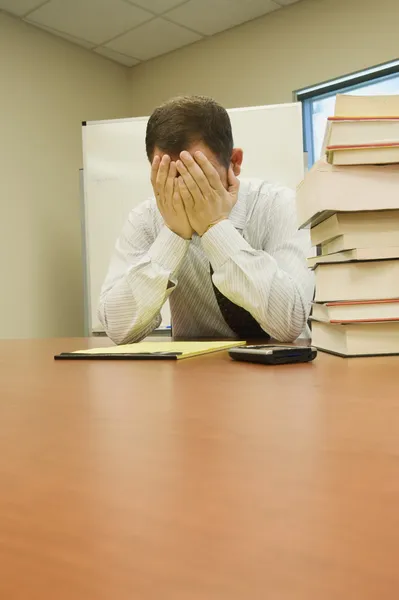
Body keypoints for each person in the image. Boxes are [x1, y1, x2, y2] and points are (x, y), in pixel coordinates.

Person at [98, 95, 314, 344]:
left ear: (234, 163)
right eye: (170, 176)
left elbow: (289, 323)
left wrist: (216, 229)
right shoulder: (146, 218)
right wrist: (173, 235)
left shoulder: (280, 205)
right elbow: (116, 328)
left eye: (198, 174)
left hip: (284, 374)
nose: (186, 189)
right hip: (192, 375)